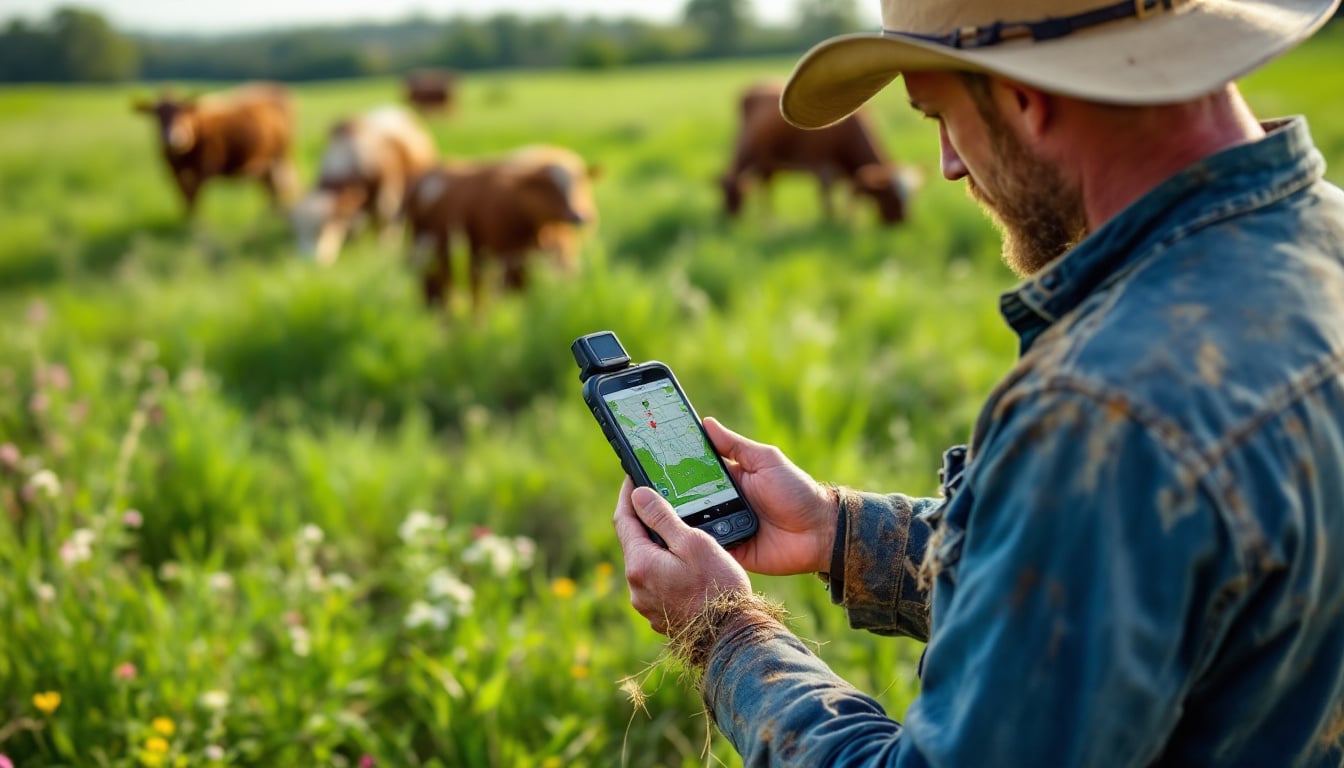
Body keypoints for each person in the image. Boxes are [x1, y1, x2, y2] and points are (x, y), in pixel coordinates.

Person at [612, 0, 1344, 765]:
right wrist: (839, 532)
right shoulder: (1325, 239)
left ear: (1026, 99)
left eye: (938, 115)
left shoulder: (1103, 412)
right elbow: (1137, 585)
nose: (949, 165)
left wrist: (725, 627)